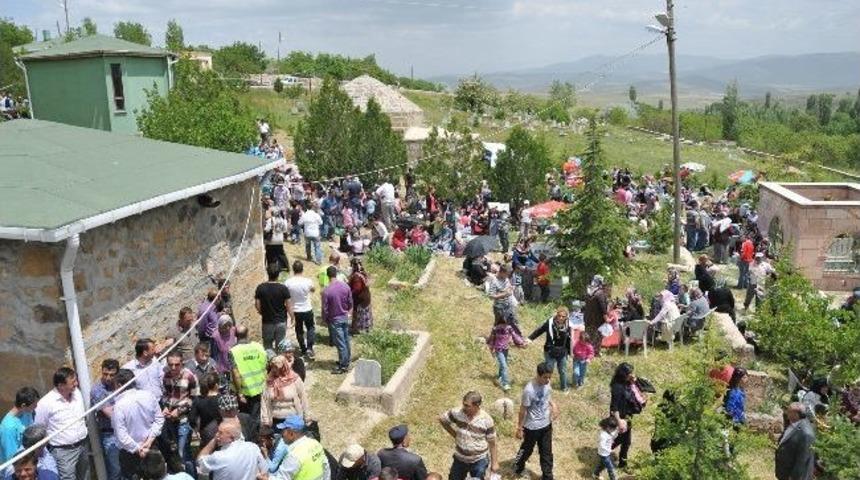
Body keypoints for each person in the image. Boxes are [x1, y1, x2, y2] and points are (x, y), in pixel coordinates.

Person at [33, 367, 90, 480]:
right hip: (63, 451)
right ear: (61, 385)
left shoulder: (77, 393)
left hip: (83, 445)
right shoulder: (46, 403)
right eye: (73, 382)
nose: (76, 384)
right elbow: (39, 428)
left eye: (76, 380)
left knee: (85, 476)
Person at [111, 368, 165, 479]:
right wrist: (149, 441)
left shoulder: (119, 406)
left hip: (131, 454)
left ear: (120, 385)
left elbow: (121, 436)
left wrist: (138, 449)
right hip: (151, 446)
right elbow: (159, 419)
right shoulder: (148, 395)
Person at [438, 391, 499, 480]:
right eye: (463, 404)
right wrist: (454, 434)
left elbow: (492, 443)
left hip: (479, 460)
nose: (464, 408)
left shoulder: (486, 420)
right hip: (460, 459)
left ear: (477, 405)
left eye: (467, 406)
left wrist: (494, 463)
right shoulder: (457, 413)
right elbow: (442, 419)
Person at [514, 362, 558, 480]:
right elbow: (523, 410)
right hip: (532, 427)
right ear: (538, 375)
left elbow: (547, 396)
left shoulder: (547, 384)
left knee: (547, 453)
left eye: (549, 377)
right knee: (526, 450)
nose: (548, 380)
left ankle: (548, 477)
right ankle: (518, 466)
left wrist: (554, 405)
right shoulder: (529, 390)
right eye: (545, 377)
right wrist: (519, 428)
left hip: (546, 424)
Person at [161, 352, 198, 477]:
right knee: (177, 452)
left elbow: (194, 398)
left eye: (176, 365)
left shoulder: (189, 376)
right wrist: (166, 407)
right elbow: (167, 395)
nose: (173, 368)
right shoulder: (166, 376)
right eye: (170, 364)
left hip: (184, 419)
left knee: (184, 453)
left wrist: (180, 410)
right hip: (171, 420)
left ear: (182, 363)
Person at [197, 420, 267, 480]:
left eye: (220, 433)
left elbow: (200, 462)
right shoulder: (253, 447)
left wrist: (213, 441)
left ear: (231, 438)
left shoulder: (219, 456)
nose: (216, 435)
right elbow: (264, 471)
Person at [609, 362, 646, 469]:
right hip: (619, 417)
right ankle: (604, 451)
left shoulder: (628, 382)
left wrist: (634, 382)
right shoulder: (617, 387)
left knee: (627, 442)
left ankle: (622, 464)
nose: (632, 374)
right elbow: (613, 408)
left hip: (628, 416)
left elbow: (644, 389)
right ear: (624, 374)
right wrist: (619, 421)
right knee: (620, 440)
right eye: (630, 373)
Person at [271, 415, 330, 480]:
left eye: (283, 431)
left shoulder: (294, 456)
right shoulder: (315, 444)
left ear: (291, 434)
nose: (282, 434)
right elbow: (326, 470)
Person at [529, 307, 573, 392]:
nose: (560, 318)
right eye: (559, 315)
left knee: (563, 370)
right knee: (549, 369)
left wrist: (570, 352)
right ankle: (546, 387)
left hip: (562, 351)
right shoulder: (549, 323)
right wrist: (530, 339)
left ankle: (564, 388)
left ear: (566, 317)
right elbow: (539, 330)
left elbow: (569, 339)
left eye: (563, 316)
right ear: (556, 315)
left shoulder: (568, 325)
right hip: (550, 350)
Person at [261, 354, 309, 432]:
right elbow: (264, 402)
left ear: (284, 367)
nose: (274, 370)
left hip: (293, 420)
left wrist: (307, 417)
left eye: (277, 368)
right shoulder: (269, 381)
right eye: (273, 367)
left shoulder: (295, 379)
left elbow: (303, 399)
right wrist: (265, 421)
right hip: (275, 420)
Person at [230, 325, 267, 423]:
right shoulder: (258, 346)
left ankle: (251, 436)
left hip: (244, 390)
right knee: (258, 416)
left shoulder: (233, 351)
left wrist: (239, 393)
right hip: (260, 387)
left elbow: (236, 374)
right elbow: (265, 364)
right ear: (247, 334)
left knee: (246, 418)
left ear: (235, 336)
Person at [90, 359, 120, 480]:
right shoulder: (97, 390)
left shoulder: (121, 384)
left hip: (125, 430)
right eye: (105, 374)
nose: (108, 378)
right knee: (115, 469)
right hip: (110, 434)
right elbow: (110, 414)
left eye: (112, 375)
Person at [322, 266, 354, 374]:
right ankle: (346, 360)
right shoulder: (346, 286)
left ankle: (343, 366)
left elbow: (325, 309)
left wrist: (325, 319)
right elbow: (350, 303)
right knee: (346, 340)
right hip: (345, 317)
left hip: (335, 320)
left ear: (327, 275)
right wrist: (348, 313)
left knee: (340, 343)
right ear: (336, 274)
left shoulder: (327, 290)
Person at [256, 263, 294, 351]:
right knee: (280, 345)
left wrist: (263, 312)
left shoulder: (260, 288)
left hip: (267, 321)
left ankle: (270, 362)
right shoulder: (283, 288)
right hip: (280, 321)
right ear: (278, 274)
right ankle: (279, 363)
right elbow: (288, 305)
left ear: (267, 273)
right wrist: (292, 317)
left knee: (267, 345)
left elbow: (257, 305)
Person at [284, 260, 317, 359]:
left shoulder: (288, 282)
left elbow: (286, 295)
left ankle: (303, 349)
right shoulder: (307, 281)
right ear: (302, 269)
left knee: (299, 330)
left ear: (293, 270)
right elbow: (313, 289)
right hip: (307, 308)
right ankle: (310, 348)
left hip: (296, 310)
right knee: (310, 328)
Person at [774, 403, 816, 480]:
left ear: (796, 414)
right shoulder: (794, 424)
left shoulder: (806, 433)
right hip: (785, 472)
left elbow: (802, 459)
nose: (786, 412)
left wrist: (793, 477)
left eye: (789, 411)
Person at [486, 315, 527, 392]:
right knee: (504, 366)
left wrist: (522, 342)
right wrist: (491, 349)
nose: (504, 326)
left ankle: (499, 377)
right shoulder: (495, 329)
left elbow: (515, 336)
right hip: (498, 350)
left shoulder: (509, 328)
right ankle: (505, 384)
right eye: (503, 324)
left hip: (506, 349)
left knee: (503, 365)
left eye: (505, 324)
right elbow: (492, 339)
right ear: (500, 322)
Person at [1, 387, 39, 463]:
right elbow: (12, 458)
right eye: (34, 404)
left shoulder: (27, 413)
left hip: (31, 457)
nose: (36, 406)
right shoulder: (8, 428)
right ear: (23, 406)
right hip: (19, 466)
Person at [188, 373, 222, 447]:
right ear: (216, 385)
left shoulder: (198, 400)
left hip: (206, 433)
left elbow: (192, 419)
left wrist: (196, 430)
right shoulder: (222, 399)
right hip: (223, 431)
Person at [487, 266, 520, 334]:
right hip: (499, 308)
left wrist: (511, 289)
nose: (508, 276)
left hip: (509, 305)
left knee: (514, 322)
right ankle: (494, 340)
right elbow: (491, 296)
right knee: (499, 326)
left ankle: (519, 340)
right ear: (502, 272)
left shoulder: (506, 279)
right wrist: (504, 294)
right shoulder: (494, 281)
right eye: (507, 274)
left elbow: (508, 288)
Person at [348, 258, 373, 334]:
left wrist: (349, 292)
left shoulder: (356, 277)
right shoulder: (363, 273)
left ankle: (357, 329)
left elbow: (357, 288)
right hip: (365, 297)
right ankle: (366, 328)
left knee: (358, 314)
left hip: (360, 299)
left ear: (353, 266)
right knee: (365, 313)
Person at [584, 275, 608, 352]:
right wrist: (606, 317)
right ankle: (595, 351)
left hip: (588, 318)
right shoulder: (600, 293)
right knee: (597, 335)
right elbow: (603, 307)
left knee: (588, 334)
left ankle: (587, 350)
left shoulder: (588, 292)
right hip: (597, 319)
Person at [265, 207, 290, 273]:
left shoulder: (270, 220)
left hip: (271, 241)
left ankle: (271, 269)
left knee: (270, 256)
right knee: (281, 255)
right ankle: (284, 267)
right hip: (280, 240)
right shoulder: (283, 220)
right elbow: (285, 230)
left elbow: (267, 229)